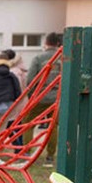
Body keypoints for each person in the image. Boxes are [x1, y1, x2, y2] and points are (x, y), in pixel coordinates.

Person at [25, 32, 62, 166]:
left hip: (40, 96)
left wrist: (32, 95)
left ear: (46, 43)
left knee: (28, 124)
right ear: (58, 44)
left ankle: (27, 153)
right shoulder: (62, 58)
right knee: (53, 126)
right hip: (56, 98)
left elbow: (30, 80)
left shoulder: (38, 58)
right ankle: (50, 157)